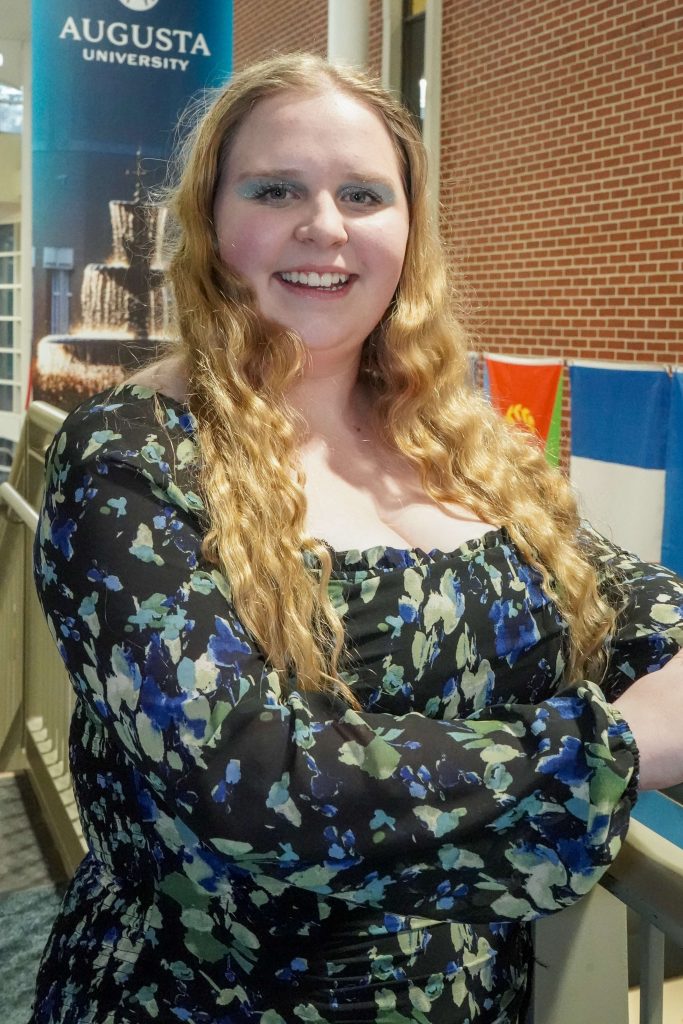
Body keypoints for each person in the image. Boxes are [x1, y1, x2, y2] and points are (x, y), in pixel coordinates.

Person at [30, 53, 683, 1024]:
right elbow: (250, 781)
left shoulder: (457, 443)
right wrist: (618, 742)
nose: (324, 225)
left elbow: (629, 607)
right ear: (210, 221)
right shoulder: (128, 459)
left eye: (364, 194)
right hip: (203, 1000)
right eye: (276, 188)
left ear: (406, 232)